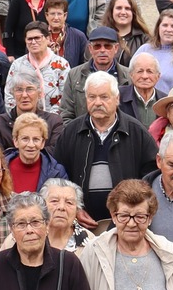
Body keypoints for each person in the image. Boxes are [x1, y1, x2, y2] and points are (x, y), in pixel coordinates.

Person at [56, 71, 159, 227]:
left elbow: (151, 176)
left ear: (117, 99)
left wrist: (132, 210)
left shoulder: (136, 132)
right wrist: (74, 208)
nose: (97, 102)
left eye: (104, 97)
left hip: (127, 223)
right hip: (81, 223)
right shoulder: (71, 132)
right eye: (92, 97)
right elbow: (59, 177)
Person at [0, 70, 64, 150]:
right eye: (19, 90)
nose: (24, 95)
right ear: (13, 94)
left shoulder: (54, 121)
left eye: (29, 89)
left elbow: (55, 152)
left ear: (39, 93)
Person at [9, 22, 73, 115]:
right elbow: (9, 96)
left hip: (54, 121)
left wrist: (49, 119)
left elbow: (66, 96)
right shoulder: (17, 65)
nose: (33, 42)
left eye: (37, 38)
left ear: (47, 39)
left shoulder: (62, 65)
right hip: (22, 120)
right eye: (30, 39)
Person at [2, 111, 66, 203]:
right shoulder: (0, 169)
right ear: (16, 141)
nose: (31, 145)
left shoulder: (57, 172)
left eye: (36, 139)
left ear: (43, 143)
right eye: (25, 139)